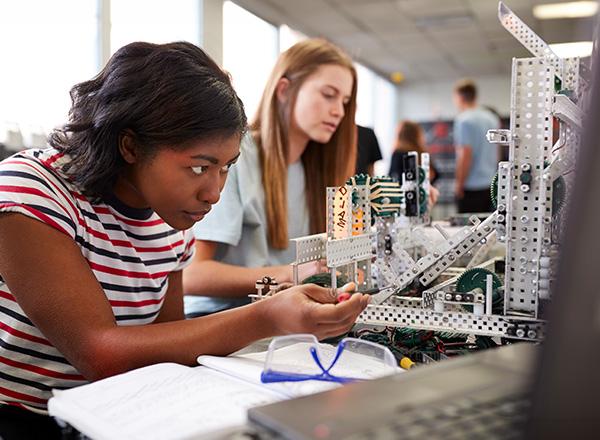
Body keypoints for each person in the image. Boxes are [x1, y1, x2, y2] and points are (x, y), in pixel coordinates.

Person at [0, 41, 368, 438]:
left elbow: (170, 341)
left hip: (121, 411)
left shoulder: (169, 215)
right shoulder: (30, 193)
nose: (214, 191)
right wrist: (266, 316)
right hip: (30, 420)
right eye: (198, 167)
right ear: (130, 146)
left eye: (226, 167)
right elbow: (99, 352)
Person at [182, 38, 358, 316]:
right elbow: (192, 275)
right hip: (219, 321)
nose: (339, 111)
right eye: (328, 94)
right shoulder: (236, 158)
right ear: (285, 90)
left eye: (345, 101)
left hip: (281, 320)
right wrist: (292, 274)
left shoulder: (314, 172)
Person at [452, 79, 499, 213]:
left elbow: (465, 154)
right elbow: (497, 150)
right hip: (490, 184)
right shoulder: (492, 118)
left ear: (459, 97)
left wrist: (459, 185)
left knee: (469, 231)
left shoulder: (463, 120)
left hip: (471, 187)